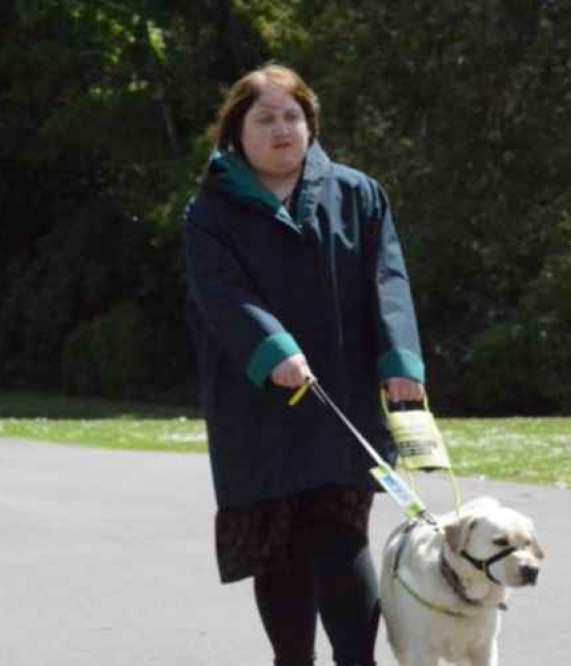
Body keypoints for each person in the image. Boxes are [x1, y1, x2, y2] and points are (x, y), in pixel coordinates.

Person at [183, 63, 426, 666]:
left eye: (292, 116)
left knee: (341, 537)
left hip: (339, 398)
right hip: (257, 407)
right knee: (280, 549)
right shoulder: (209, 212)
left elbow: (387, 280)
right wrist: (273, 348)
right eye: (264, 118)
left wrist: (400, 361)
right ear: (236, 133)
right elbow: (221, 292)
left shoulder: (359, 194)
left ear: (311, 126)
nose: (282, 129)